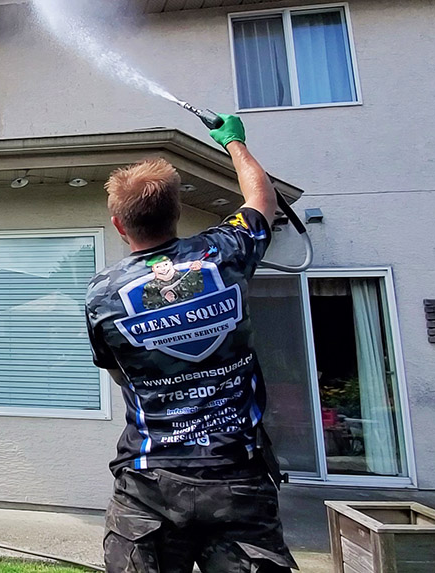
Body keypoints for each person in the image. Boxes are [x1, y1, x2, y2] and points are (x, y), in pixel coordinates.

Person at [85, 115, 297, 573]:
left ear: (120, 226)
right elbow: (262, 198)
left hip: (149, 488)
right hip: (238, 478)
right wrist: (235, 143)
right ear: (177, 211)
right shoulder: (226, 252)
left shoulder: (102, 295)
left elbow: (119, 371)